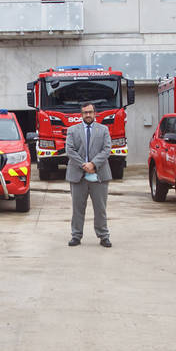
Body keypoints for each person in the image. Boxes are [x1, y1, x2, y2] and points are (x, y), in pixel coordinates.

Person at [65, 102, 113, 248]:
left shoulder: (103, 130)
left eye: (90, 112)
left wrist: (93, 164)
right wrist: (84, 165)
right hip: (77, 175)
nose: (88, 115)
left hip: (99, 175)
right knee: (77, 208)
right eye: (85, 112)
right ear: (81, 114)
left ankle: (103, 236)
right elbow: (70, 150)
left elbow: (107, 149)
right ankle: (76, 235)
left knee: (100, 208)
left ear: (95, 113)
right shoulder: (72, 130)